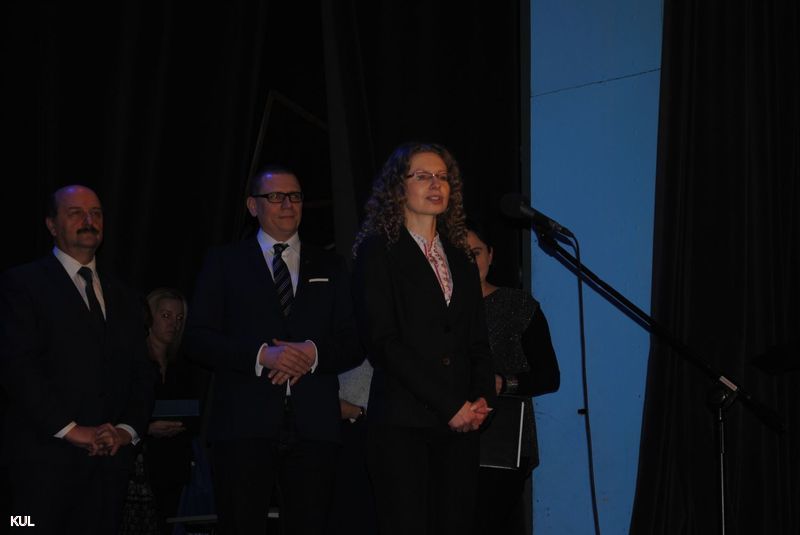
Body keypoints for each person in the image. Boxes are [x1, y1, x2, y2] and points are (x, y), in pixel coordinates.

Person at [185, 165, 363, 534]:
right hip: (243, 424)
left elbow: (355, 340)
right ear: (253, 206)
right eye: (276, 196)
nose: (287, 204)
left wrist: (311, 354)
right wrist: (261, 356)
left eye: (294, 196)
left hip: (314, 426)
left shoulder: (331, 264)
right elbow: (198, 338)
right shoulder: (225, 262)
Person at [351, 142, 495, 535]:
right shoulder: (378, 250)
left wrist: (482, 399)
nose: (436, 184)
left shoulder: (461, 256)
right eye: (423, 176)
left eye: (443, 177)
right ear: (399, 187)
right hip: (404, 425)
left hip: (461, 425)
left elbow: (477, 340)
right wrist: (450, 405)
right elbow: (383, 342)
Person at [0, 185, 154, 534]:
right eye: (75, 213)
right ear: (51, 225)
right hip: (42, 463)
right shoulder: (22, 284)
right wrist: (72, 430)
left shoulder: (125, 296)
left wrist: (126, 430)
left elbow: (142, 374)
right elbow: (17, 367)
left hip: (108, 467)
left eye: (96, 213)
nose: (89, 220)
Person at [466, 223, 560, 535]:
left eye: (476, 253)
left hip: (504, 440)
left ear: (491, 255)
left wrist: (503, 384)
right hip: (450, 439)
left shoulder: (517, 305)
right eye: (460, 254)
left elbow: (549, 377)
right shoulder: (435, 311)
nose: (469, 261)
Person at [120, 288, 207, 535]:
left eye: (179, 318)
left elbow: (197, 413)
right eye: (166, 316)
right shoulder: (131, 361)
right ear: (149, 317)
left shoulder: (184, 365)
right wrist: (146, 428)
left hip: (174, 466)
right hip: (138, 467)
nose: (174, 324)